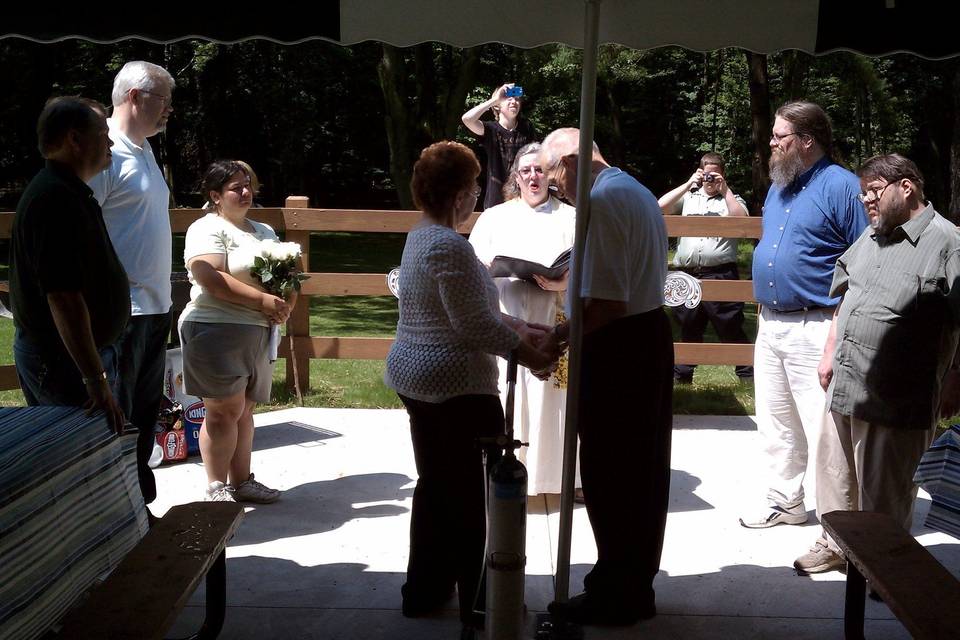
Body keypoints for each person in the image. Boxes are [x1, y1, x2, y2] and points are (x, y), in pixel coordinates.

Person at [383, 141, 556, 630]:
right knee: (466, 500)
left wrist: (525, 329)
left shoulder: (422, 237)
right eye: (475, 186)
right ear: (459, 194)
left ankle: (424, 591)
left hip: (419, 380)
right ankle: (479, 603)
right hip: (452, 387)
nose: (478, 194)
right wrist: (532, 356)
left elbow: (473, 313)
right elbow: (472, 326)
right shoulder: (448, 246)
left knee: (436, 489)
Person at [794, 154, 960, 574]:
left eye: (874, 191)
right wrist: (830, 348)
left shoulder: (948, 242)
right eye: (863, 192)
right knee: (834, 477)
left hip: (898, 394)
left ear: (907, 188)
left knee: (886, 493)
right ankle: (834, 545)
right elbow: (847, 293)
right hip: (846, 381)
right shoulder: (871, 236)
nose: (866, 200)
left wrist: (957, 378)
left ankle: (883, 570)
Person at [540, 128, 673, 626]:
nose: (558, 190)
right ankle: (629, 582)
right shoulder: (632, 189)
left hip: (623, 348)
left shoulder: (606, 200)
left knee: (612, 473)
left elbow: (608, 304)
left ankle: (620, 591)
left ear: (572, 162)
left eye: (556, 179)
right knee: (638, 472)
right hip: (643, 336)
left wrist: (559, 337)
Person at [740, 101, 867, 530]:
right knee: (776, 424)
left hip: (817, 324)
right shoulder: (780, 185)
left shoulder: (843, 187)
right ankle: (785, 501)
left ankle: (839, 523)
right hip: (771, 322)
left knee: (825, 431)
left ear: (807, 141)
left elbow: (863, 266)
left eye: (780, 137)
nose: (771, 143)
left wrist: (836, 337)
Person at [10, 97, 128, 434]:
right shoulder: (54, 199)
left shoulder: (69, 192)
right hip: (63, 365)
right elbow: (63, 297)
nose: (110, 141)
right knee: (79, 463)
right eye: (103, 132)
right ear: (74, 139)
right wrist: (94, 378)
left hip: (72, 361)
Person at [468, 142, 580, 496]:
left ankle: (559, 478)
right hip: (509, 314)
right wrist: (488, 269)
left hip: (553, 315)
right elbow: (474, 266)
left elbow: (588, 264)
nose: (534, 176)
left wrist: (566, 279)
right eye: (526, 170)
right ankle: (504, 473)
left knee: (555, 398)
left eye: (540, 170)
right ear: (516, 176)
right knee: (509, 392)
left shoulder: (571, 216)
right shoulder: (495, 217)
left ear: (551, 175)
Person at [179, 160, 293, 503]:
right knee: (223, 410)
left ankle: (242, 482)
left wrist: (286, 303)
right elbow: (210, 278)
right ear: (215, 195)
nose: (246, 192)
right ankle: (216, 487)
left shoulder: (265, 232)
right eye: (235, 188)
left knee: (244, 411)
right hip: (215, 328)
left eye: (248, 185)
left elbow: (289, 274)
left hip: (258, 332)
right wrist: (262, 299)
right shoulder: (206, 228)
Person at [88, 60, 175, 507]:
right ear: (136, 97)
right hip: (123, 315)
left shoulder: (142, 149)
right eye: (164, 100)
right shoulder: (102, 150)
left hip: (155, 309)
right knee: (117, 420)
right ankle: (112, 515)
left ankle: (139, 511)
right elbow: (83, 231)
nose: (169, 111)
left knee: (143, 417)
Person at [658, 151, 753, 383]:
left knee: (729, 325)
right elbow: (659, 207)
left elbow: (742, 220)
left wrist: (725, 189)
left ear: (723, 175)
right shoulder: (688, 197)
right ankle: (682, 377)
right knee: (688, 325)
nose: (711, 180)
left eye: (716, 175)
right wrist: (688, 183)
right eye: (707, 174)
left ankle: (747, 375)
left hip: (720, 272)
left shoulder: (732, 199)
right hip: (687, 273)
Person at [461, 82, 536, 210]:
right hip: (495, 202)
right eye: (508, 98)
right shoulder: (491, 130)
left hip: (523, 201)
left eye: (517, 98)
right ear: (497, 106)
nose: (514, 101)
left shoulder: (526, 128)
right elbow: (467, 119)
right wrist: (494, 100)